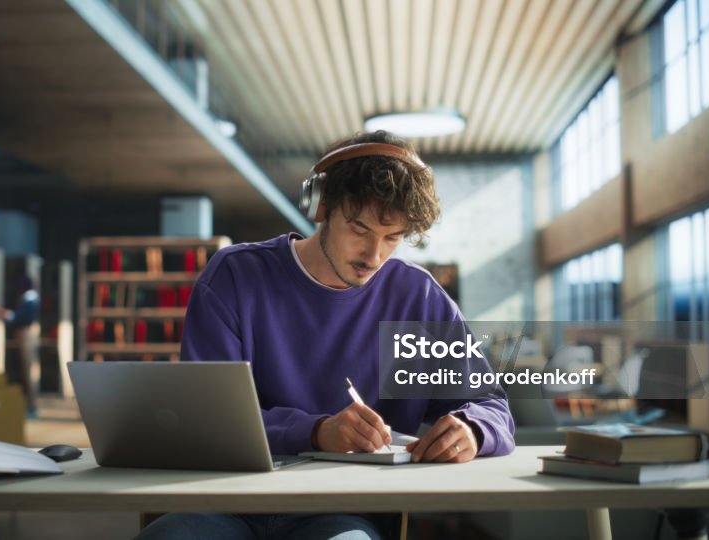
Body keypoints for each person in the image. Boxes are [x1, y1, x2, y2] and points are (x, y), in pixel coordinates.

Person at [136, 131, 515, 540]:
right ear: (321, 207)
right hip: (222, 503)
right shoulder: (234, 277)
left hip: (344, 514)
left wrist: (472, 430)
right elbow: (207, 417)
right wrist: (315, 432)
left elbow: (491, 407)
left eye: (393, 237)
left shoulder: (418, 298)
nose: (374, 256)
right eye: (359, 228)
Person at [0, 275, 41, 418]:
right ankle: (30, 406)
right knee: (27, 372)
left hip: (27, 337)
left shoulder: (30, 299)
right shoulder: (31, 298)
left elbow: (17, 318)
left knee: (29, 372)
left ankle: (31, 407)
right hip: (26, 337)